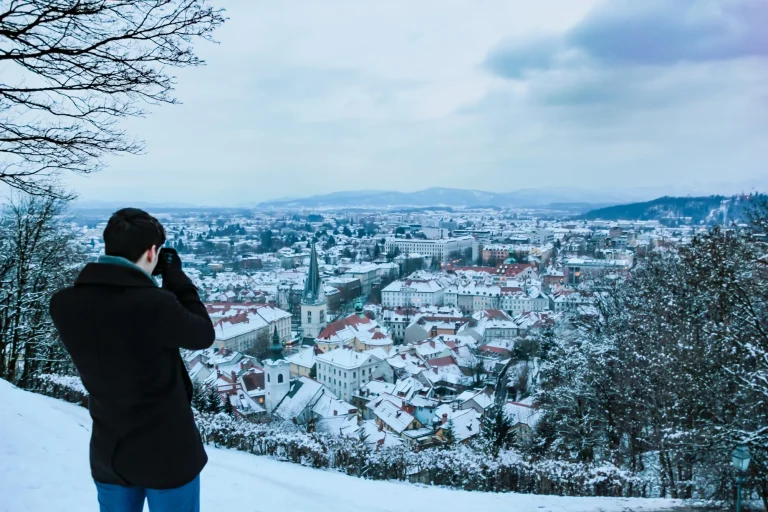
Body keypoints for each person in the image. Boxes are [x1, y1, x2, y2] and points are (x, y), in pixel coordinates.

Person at [50, 208, 215, 512]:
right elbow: (203, 333)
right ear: (152, 252)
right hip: (168, 454)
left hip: (109, 450)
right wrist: (177, 280)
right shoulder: (155, 305)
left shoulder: (63, 303)